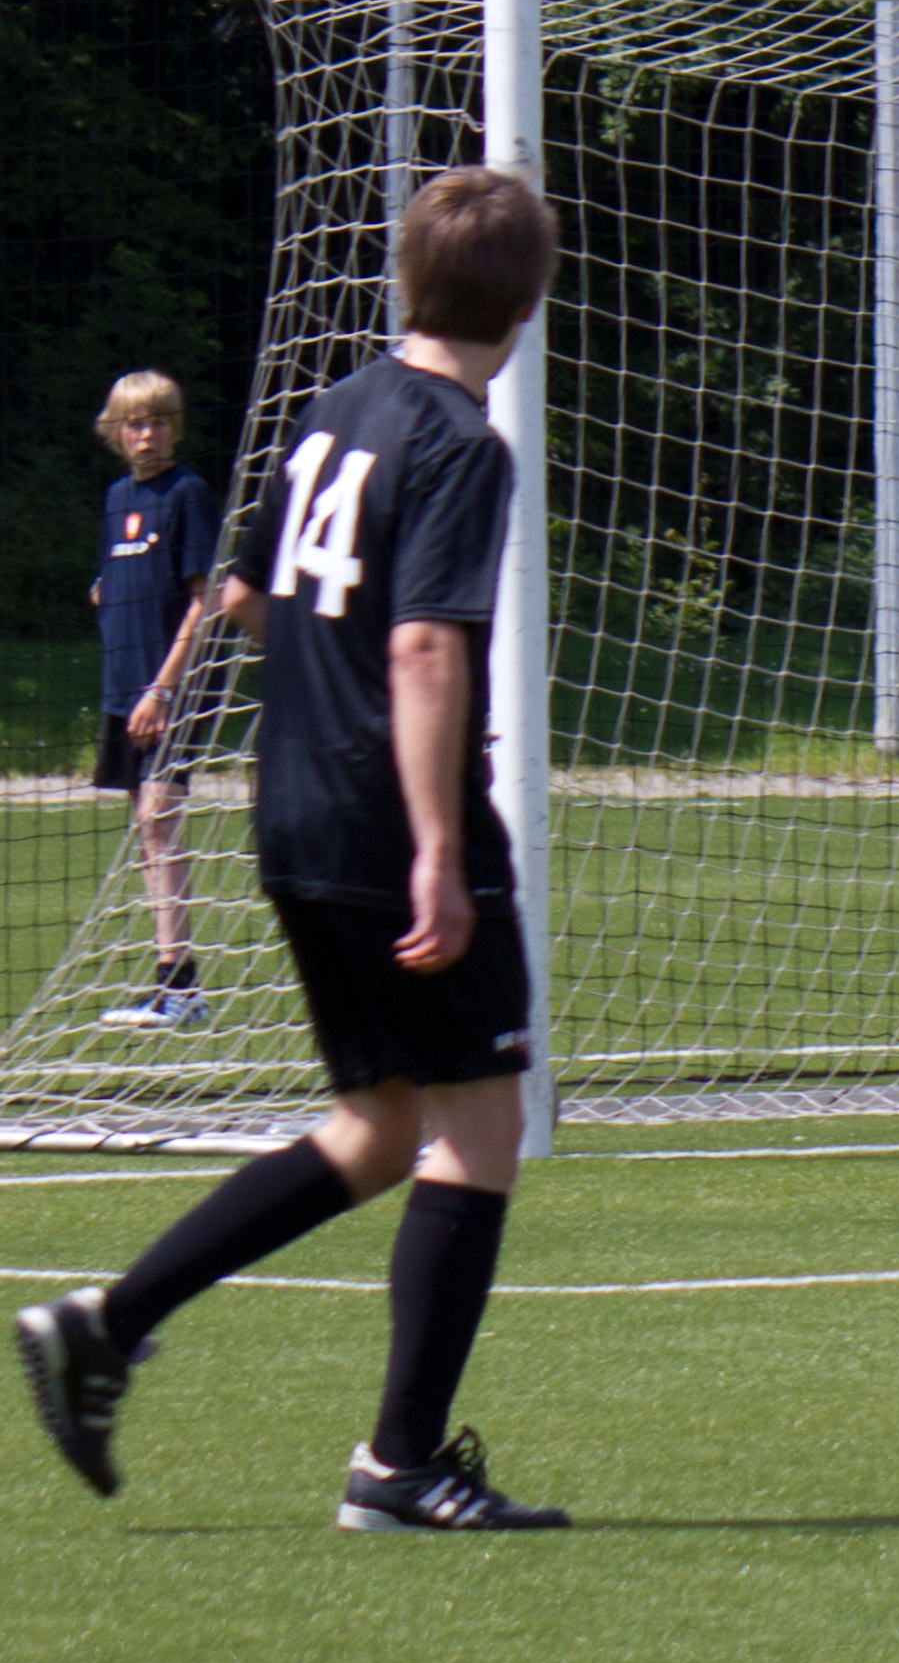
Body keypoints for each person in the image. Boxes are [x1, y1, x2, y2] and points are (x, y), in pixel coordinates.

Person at [15, 165, 571, 1530]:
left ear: (405, 280)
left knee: (377, 1129)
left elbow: (250, 595)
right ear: (529, 302)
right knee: (480, 1127)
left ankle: (105, 1324)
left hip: (295, 811)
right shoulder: (461, 443)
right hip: (392, 826)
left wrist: (340, 676)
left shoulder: (334, 414)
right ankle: (399, 1465)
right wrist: (437, 840)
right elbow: (426, 645)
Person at [86, 369, 221, 1033]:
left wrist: (164, 688)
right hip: (124, 687)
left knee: (160, 820)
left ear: (175, 428)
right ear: (115, 431)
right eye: (136, 423)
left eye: (160, 422)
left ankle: (181, 989)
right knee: (149, 832)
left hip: (170, 690)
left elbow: (203, 601)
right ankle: (174, 984)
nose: (148, 434)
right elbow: (116, 577)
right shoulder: (117, 499)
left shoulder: (187, 493)